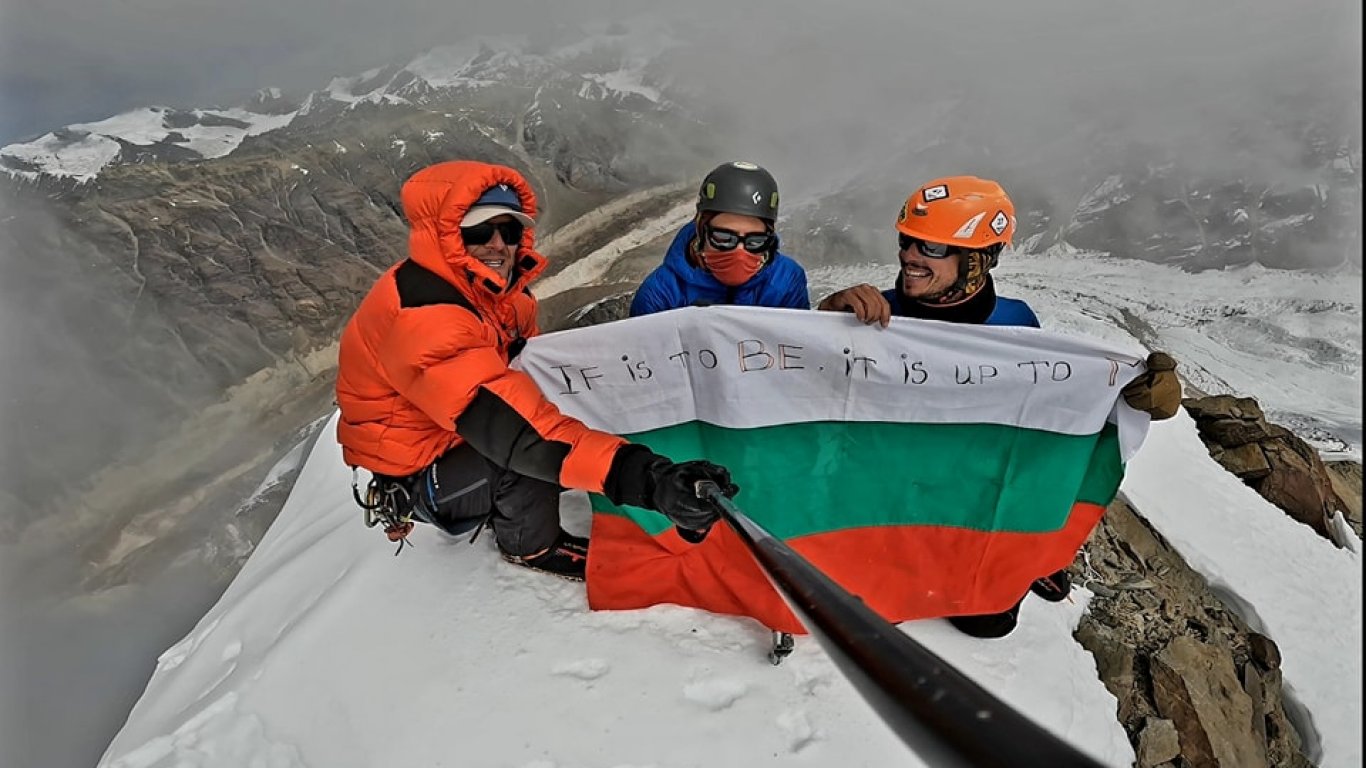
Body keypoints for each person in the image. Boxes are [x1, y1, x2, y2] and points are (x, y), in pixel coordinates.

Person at [336, 160, 738, 581]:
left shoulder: (493, 295)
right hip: (422, 474)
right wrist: (651, 482)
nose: (497, 245)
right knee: (521, 453)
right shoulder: (425, 318)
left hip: (449, 435)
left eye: (509, 231)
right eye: (478, 231)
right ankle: (530, 545)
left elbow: (522, 374)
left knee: (554, 407)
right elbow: (519, 434)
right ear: (446, 235)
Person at [817, 175, 1182, 637]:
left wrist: (1128, 397)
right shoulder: (866, 316)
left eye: (931, 247)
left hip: (964, 496)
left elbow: (1049, 421)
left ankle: (1029, 555)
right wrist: (821, 321)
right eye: (908, 240)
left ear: (977, 259)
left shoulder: (1017, 325)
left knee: (987, 620)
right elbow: (801, 397)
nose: (909, 255)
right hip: (883, 493)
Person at [629, 161, 809, 316]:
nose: (739, 252)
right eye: (724, 238)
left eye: (755, 242)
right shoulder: (660, 294)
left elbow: (800, 346)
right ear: (701, 231)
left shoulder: (788, 280)